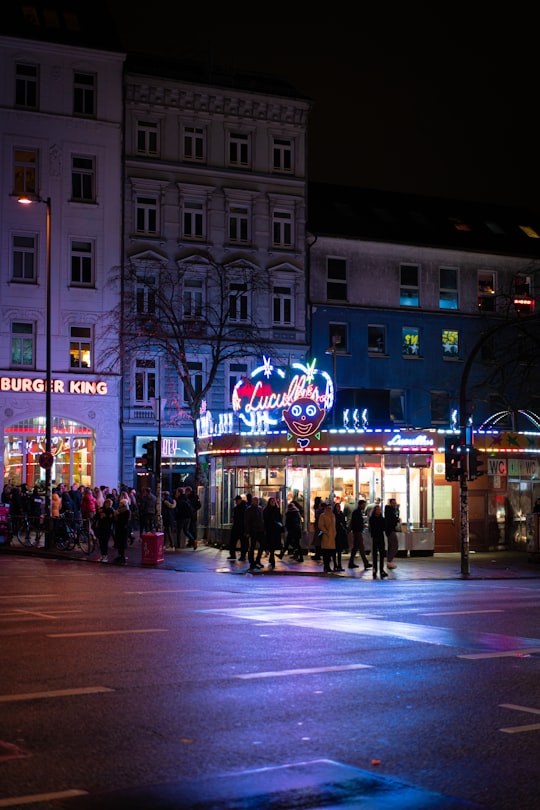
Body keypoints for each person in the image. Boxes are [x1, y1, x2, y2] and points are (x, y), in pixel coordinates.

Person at [348, 499, 372, 570]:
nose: (364, 506)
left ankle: (351, 562)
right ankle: (365, 563)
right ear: (360, 505)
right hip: (357, 532)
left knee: (355, 548)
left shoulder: (357, 512)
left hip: (357, 531)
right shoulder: (357, 512)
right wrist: (362, 526)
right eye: (363, 505)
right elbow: (356, 523)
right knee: (361, 547)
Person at [244, 495, 265, 570]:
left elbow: (262, 519)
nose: (256, 502)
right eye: (255, 500)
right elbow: (246, 521)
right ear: (252, 501)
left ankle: (257, 560)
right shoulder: (249, 509)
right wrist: (247, 531)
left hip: (260, 530)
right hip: (253, 531)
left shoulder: (260, 508)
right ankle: (252, 562)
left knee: (262, 544)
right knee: (252, 547)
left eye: (257, 500)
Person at [262, 496, 284, 569]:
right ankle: (272, 559)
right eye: (271, 502)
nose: (273, 503)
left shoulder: (276, 510)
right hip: (269, 530)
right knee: (271, 545)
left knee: (273, 546)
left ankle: (272, 558)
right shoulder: (266, 510)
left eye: (273, 502)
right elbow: (265, 520)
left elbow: (280, 519)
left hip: (275, 531)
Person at [369, 503, 388, 579]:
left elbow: (384, 527)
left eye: (379, 510)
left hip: (380, 537)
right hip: (375, 537)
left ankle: (381, 570)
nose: (378, 511)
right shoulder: (372, 519)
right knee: (375, 555)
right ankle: (375, 569)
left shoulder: (381, 518)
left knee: (382, 554)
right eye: (377, 510)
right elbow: (373, 528)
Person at [318, 501, 337, 573]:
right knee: (326, 553)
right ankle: (326, 566)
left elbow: (333, 526)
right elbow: (321, 526)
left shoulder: (333, 515)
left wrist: (334, 533)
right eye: (328, 508)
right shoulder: (323, 516)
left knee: (331, 553)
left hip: (332, 537)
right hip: (326, 537)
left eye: (330, 508)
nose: (329, 509)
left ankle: (329, 566)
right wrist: (326, 532)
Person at [94, 497, 115, 562]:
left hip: (107, 528)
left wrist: (106, 517)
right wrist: (99, 514)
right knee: (101, 542)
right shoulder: (101, 509)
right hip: (101, 527)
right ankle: (102, 555)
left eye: (109, 504)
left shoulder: (111, 510)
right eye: (107, 503)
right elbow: (95, 517)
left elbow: (112, 520)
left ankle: (105, 556)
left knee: (105, 542)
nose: (108, 505)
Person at [228, 495, 248, 561]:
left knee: (240, 542)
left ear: (239, 500)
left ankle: (237, 555)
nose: (236, 502)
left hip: (241, 527)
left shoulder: (243, 508)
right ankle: (236, 555)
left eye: (236, 501)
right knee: (239, 542)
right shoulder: (241, 507)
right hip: (238, 527)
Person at [112, 492, 130, 564]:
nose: (120, 505)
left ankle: (122, 556)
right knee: (119, 543)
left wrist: (118, 516)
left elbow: (124, 520)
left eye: (121, 504)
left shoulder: (126, 511)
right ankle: (120, 555)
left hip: (123, 529)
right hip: (118, 528)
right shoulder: (119, 511)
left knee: (122, 543)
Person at [384, 498, 401, 569]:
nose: (395, 504)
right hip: (390, 530)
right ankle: (389, 561)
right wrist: (397, 520)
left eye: (395, 502)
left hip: (390, 530)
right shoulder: (389, 510)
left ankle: (389, 562)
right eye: (393, 503)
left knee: (391, 546)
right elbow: (391, 520)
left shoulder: (391, 510)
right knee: (395, 546)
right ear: (390, 503)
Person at [333, 501, 348, 571]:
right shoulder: (334, 515)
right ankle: (335, 564)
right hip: (335, 534)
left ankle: (339, 564)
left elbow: (344, 523)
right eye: (337, 507)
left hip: (340, 534)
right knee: (334, 550)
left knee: (339, 550)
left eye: (339, 507)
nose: (338, 508)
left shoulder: (342, 514)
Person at [311, 496, 324, 561]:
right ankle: (319, 554)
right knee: (319, 541)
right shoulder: (320, 510)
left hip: (318, 527)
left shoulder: (318, 509)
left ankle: (318, 554)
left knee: (318, 541)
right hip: (320, 527)